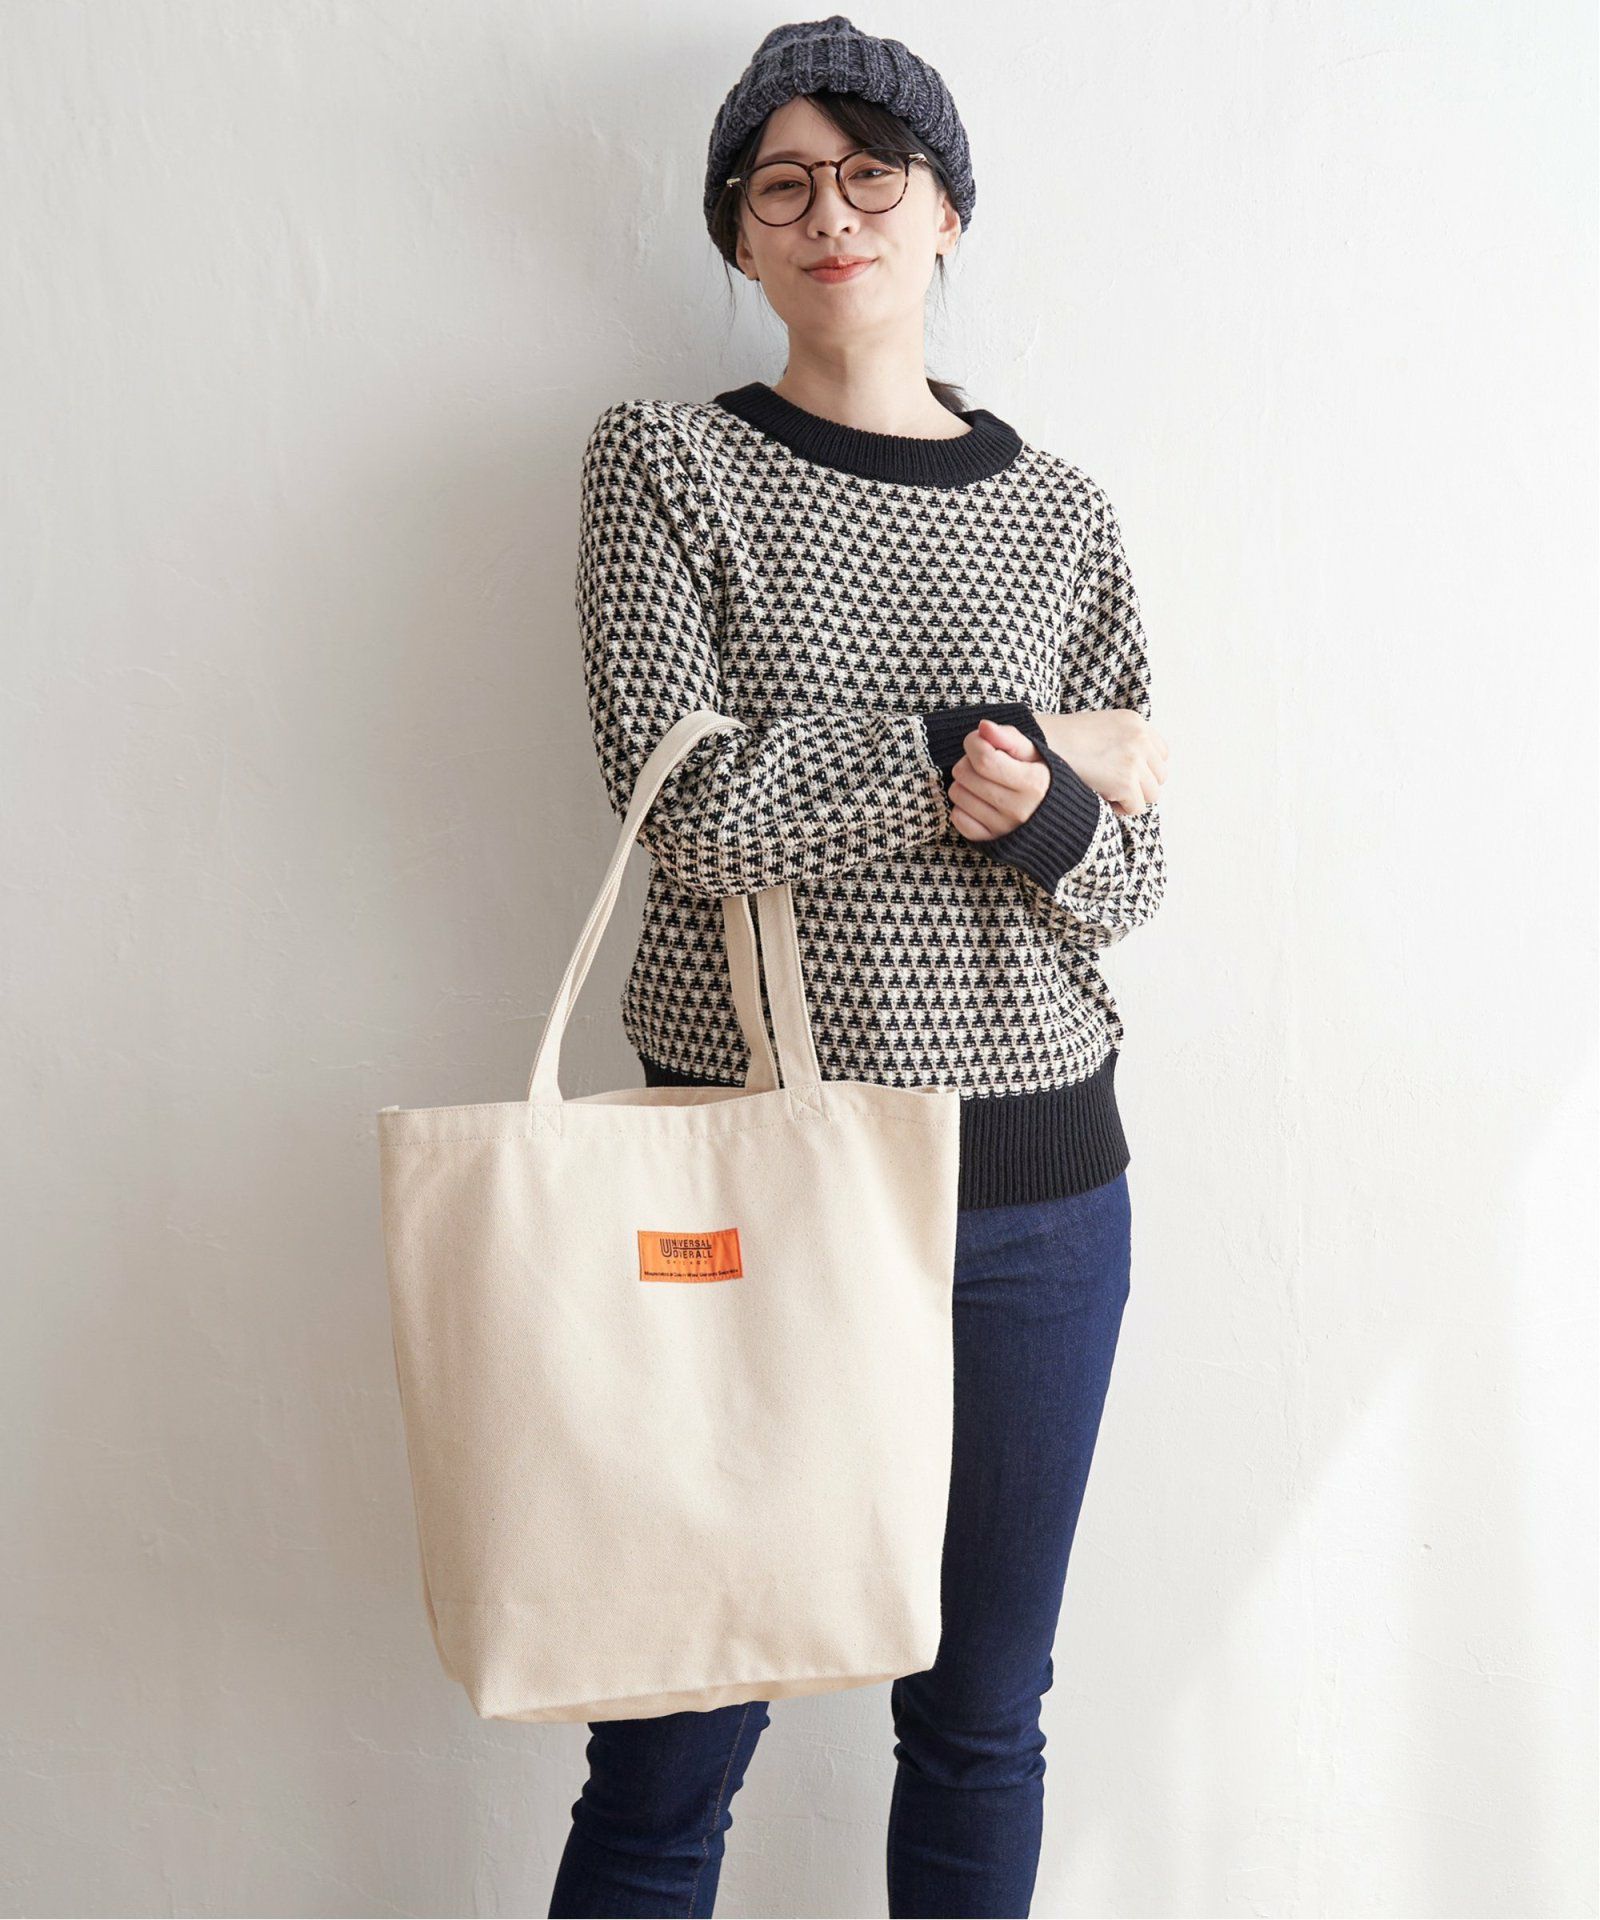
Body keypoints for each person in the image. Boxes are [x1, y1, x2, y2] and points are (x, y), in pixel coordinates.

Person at [550, 16, 1169, 1917]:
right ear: (739, 237)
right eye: (783, 185)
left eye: (873, 175)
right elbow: (690, 810)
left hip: (1038, 1194)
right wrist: (1000, 752)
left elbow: (1133, 870)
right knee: (674, 1737)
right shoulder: (666, 463)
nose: (833, 215)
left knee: (981, 1721)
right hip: (755, 1179)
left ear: (947, 212)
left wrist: (1044, 815)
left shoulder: (1063, 511)